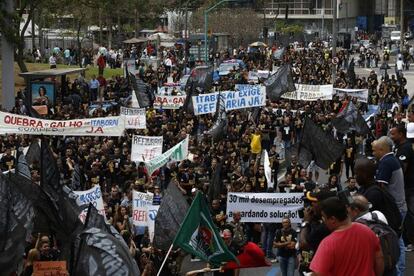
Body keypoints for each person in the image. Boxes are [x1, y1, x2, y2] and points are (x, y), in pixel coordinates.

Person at [310, 197, 384, 276]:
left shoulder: (328, 244)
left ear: (332, 219)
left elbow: (318, 273)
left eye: (324, 217)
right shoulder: (367, 231)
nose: (323, 221)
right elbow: (379, 258)